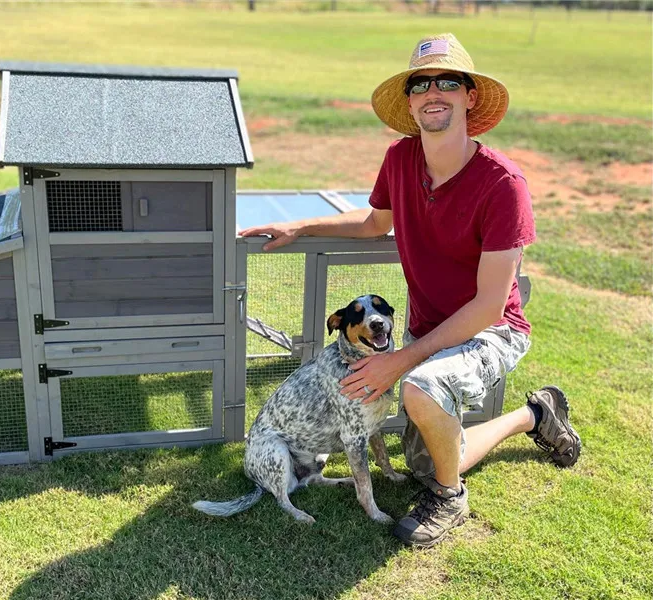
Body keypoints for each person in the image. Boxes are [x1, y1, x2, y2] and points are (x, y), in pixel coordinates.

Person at [239, 33, 581, 548]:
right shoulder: (400, 160)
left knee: (420, 394)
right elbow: (375, 222)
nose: (433, 91)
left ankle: (449, 499)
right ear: (410, 101)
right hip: (431, 330)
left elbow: (490, 305)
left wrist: (401, 362)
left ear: (469, 96)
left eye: (448, 81)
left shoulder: (503, 184)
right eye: (420, 84)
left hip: (492, 330)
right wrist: (301, 227)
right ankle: (535, 414)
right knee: (425, 459)